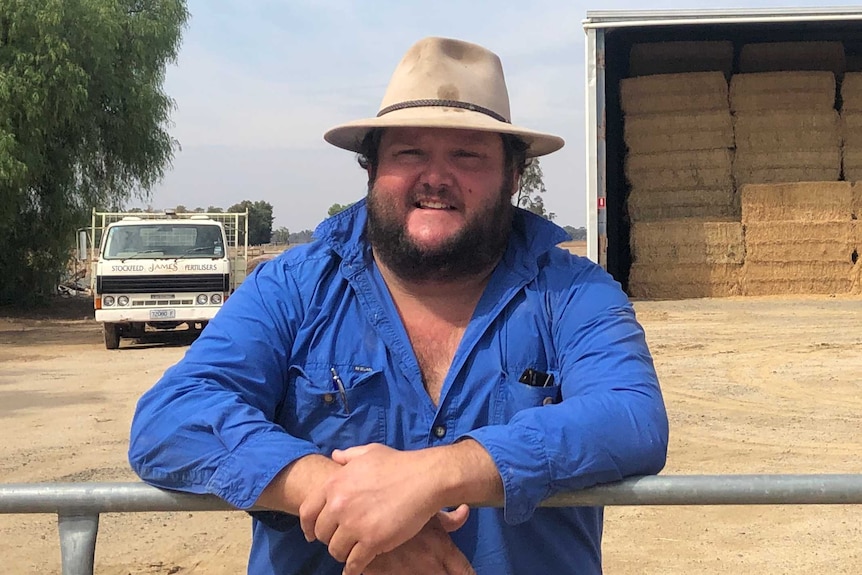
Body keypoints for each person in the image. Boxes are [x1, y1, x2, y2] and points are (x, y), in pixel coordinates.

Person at [128, 36, 669, 575]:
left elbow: (631, 417)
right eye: (409, 152)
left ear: (513, 175)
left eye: (467, 155)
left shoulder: (575, 293)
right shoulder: (292, 287)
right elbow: (169, 418)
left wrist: (437, 475)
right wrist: (338, 495)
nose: (435, 177)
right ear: (371, 168)